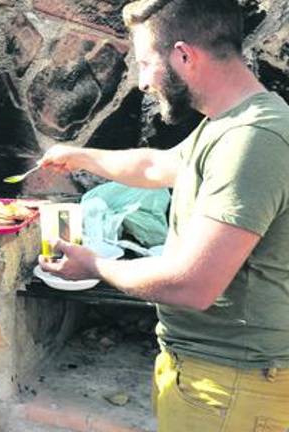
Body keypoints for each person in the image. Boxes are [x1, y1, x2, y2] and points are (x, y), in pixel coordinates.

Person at [37, 0, 289, 430]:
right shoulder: (227, 124)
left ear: (183, 55)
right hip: (210, 380)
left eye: (145, 63)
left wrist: (95, 266)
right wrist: (79, 157)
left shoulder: (252, 139)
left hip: (231, 389)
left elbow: (192, 285)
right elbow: (156, 167)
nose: (140, 82)